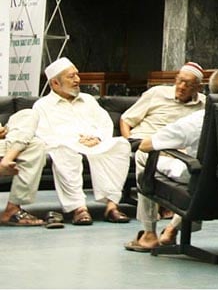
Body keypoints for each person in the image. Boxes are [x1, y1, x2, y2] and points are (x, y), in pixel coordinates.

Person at [125, 66, 218, 252]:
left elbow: (148, 145)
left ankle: (149, 233)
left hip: (198, 178)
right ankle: (172, 229)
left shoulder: (198, 120)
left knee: (144, 156)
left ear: (207, 90)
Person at [33, 57, 132, 225]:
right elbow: (43, 135)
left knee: (121, 145)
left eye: (77, 75)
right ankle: (79, 209)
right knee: (64, 151)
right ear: (55, 83)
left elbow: (105, 123)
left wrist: (98, 138)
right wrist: (75, 141)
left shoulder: (88, 99)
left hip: (95, 144)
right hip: (65, 146)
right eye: (71, 77)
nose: (77, 80)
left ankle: (111, 207)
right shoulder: (42, 106)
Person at [121, 62, 206, 240]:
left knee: (199, 169)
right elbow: (126, 119)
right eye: (180, 81)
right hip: (147, 145)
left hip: (179, 152)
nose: (182, 87)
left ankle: (171, 228)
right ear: (175, 79)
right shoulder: (156, 93)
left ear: (198, 87)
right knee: (144, 156)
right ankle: (149, 230)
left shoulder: (204, 105)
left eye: (188, 84)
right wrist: (128, 142)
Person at [0, 110, 49, 227]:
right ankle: (7, 160)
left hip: (6, 142)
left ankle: (7, 158)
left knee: (28, 114)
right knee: (35, 145)